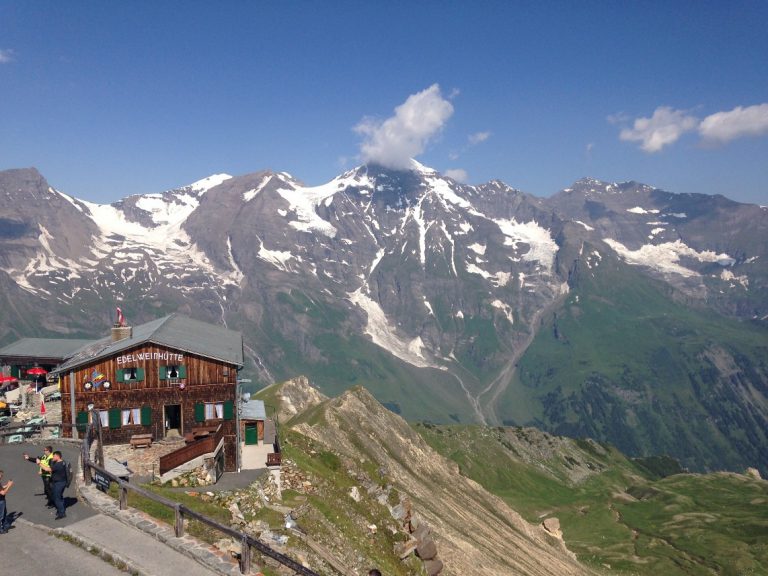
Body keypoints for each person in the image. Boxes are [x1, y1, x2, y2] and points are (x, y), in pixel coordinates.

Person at [40, 451, 67, 520]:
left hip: (59, 483)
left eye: (54, 456)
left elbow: (47, 469)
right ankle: (60, 509)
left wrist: (39, 463)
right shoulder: (62, 462)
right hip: (61, 482)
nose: (53, 457)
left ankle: (61, 513)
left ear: (58, 456)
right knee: (59, 496)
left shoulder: (58, 465)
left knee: (57, 498)